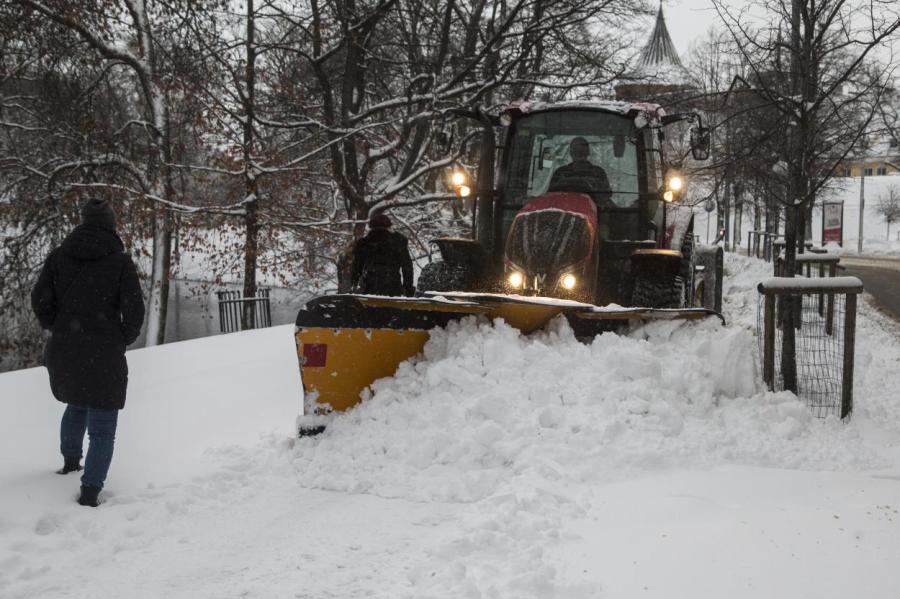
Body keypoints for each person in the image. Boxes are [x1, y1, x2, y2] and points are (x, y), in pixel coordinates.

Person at [31, 198, 145, 507]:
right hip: (105, 350)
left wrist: (58, 326)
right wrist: (122, 337)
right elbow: (135, 310)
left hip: (66, 348)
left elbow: (40, 299)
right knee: (103, 422)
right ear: (110, 224)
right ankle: (90, 490)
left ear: (81, 222)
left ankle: (70, 463)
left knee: (77, 401)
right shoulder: (120, 262)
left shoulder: (58, 256)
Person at [350, 213, 415, 296]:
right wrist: (408, 288)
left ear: (371, 227)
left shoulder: (364, 243)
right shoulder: (398, 241)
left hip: (370, 286)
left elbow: (356, 267)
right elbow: (407, 267)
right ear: (389, 226)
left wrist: (354, 285)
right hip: (392, 286)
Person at [548, 137, 613, 207]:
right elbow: (550, 196)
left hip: (593, 212)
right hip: (563, 211)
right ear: (571, 152)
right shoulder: (560, 172)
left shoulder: (598, 173)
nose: (579, 153)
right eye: (576, 150)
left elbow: (605, 197)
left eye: (582, 150)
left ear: (588, 152)